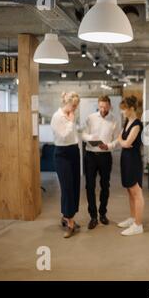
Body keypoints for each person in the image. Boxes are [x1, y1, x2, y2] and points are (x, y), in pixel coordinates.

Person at [82, 95, 120, 230]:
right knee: (89, 186)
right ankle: (93, 216)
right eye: (101, 106)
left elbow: (117, 139)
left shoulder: (115, 120)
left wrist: (109, 146)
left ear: (110, 106)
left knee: (105, 185)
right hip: (90, 156)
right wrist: (91, 137)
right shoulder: (91, 118)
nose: (103, 109)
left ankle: (102, 213)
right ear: (98, 106)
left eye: (105, 106)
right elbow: (83, 135)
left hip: (105, 156)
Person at [50, 91, 81, 239]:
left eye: (76, 106)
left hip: (74, 151)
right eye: (73, 106)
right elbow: (63, 136)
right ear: (66, 103)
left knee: (75, 186)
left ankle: (67, 216)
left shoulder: (70, 116)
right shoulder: (58, 117)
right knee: (67, 187)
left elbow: (73, 136)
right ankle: (70, 223)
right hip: (62, 154)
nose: (74, 108)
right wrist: (70, 121)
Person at [116, 96, 145, 236]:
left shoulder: (137, 124)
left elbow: (126, 143)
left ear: (132, 108)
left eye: (124, 109)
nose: (122, 112)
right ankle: (133, 218)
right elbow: (122, 139)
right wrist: (122, 140)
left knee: (136, 192)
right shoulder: (128, 121)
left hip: (133, 160)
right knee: (129, 190)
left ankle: (138, 225)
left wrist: (121, 140)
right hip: (125, 158)